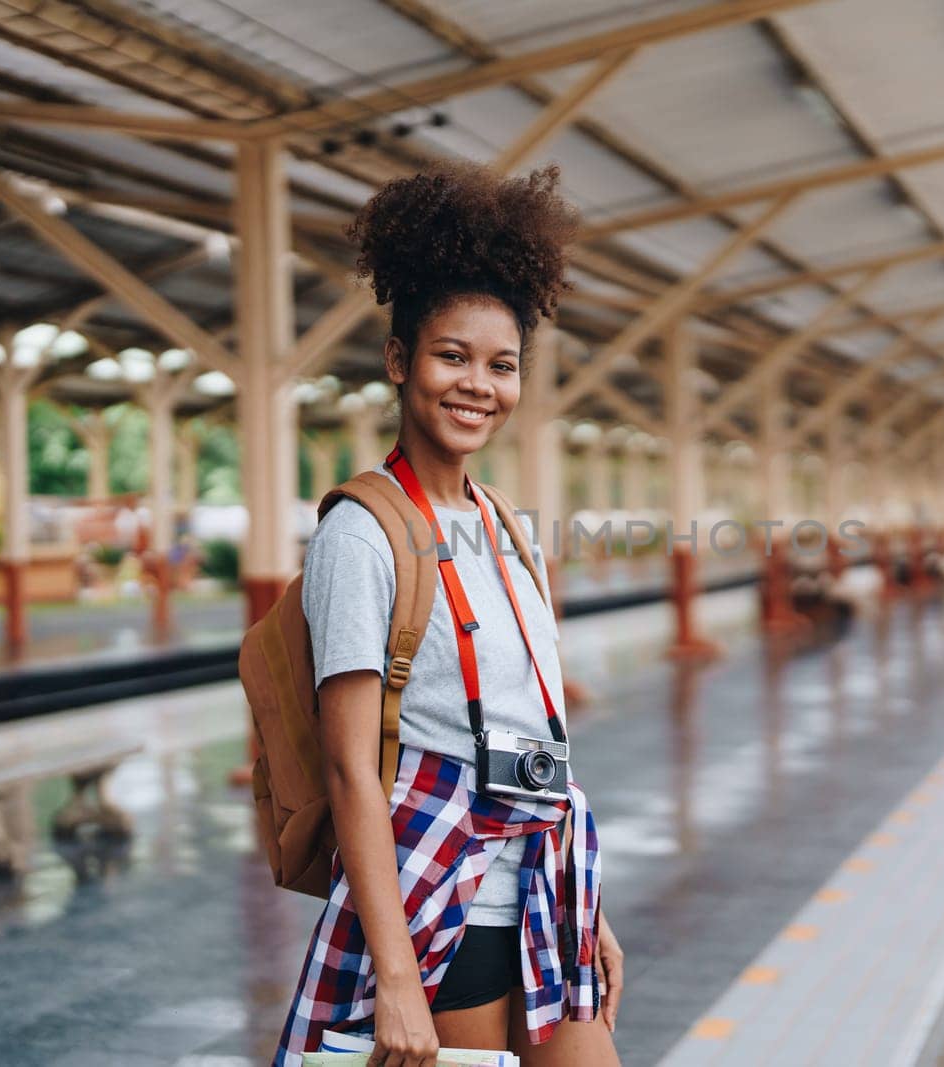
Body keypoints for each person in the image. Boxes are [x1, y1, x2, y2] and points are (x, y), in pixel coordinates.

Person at [272, 162, 624, 1067]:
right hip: (442, 901)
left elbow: (530, 725)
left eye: (501, 365)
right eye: (451, 356)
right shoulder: (362, 532)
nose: (478, 384)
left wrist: (592, 907)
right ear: (400, 362)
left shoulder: (506, 524)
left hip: (547, 889)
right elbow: (353, 770)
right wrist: (396, 977)